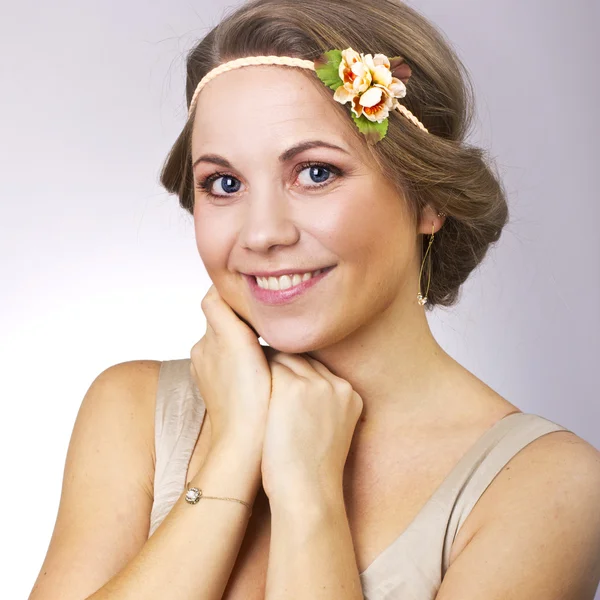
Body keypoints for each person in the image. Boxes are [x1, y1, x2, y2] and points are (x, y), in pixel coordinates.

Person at [29, 0, 600, 599]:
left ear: (429, 199)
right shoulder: (133, 413)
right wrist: (232, 448)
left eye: (316, 173)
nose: (261, 233)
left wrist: (308, 491)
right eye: (224, 184)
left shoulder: (543, 486)